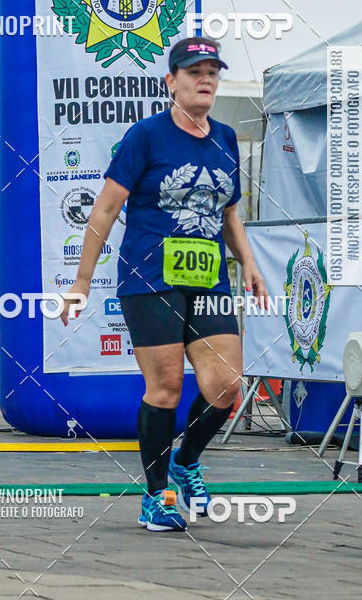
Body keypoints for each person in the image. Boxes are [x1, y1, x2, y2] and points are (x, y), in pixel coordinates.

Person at [61, 37, 267, 532]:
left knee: (226, 385)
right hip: (149, 277)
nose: (206, 79)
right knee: (167, 385)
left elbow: (229, 214)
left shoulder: (225, 138)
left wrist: (249, 263)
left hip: (209, 278)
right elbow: (105, 209)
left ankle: (186, 459)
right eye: (194, 71)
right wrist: (82, 280)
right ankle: (156, 496)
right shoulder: (146, 136)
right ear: (171, 81)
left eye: (212, 71)